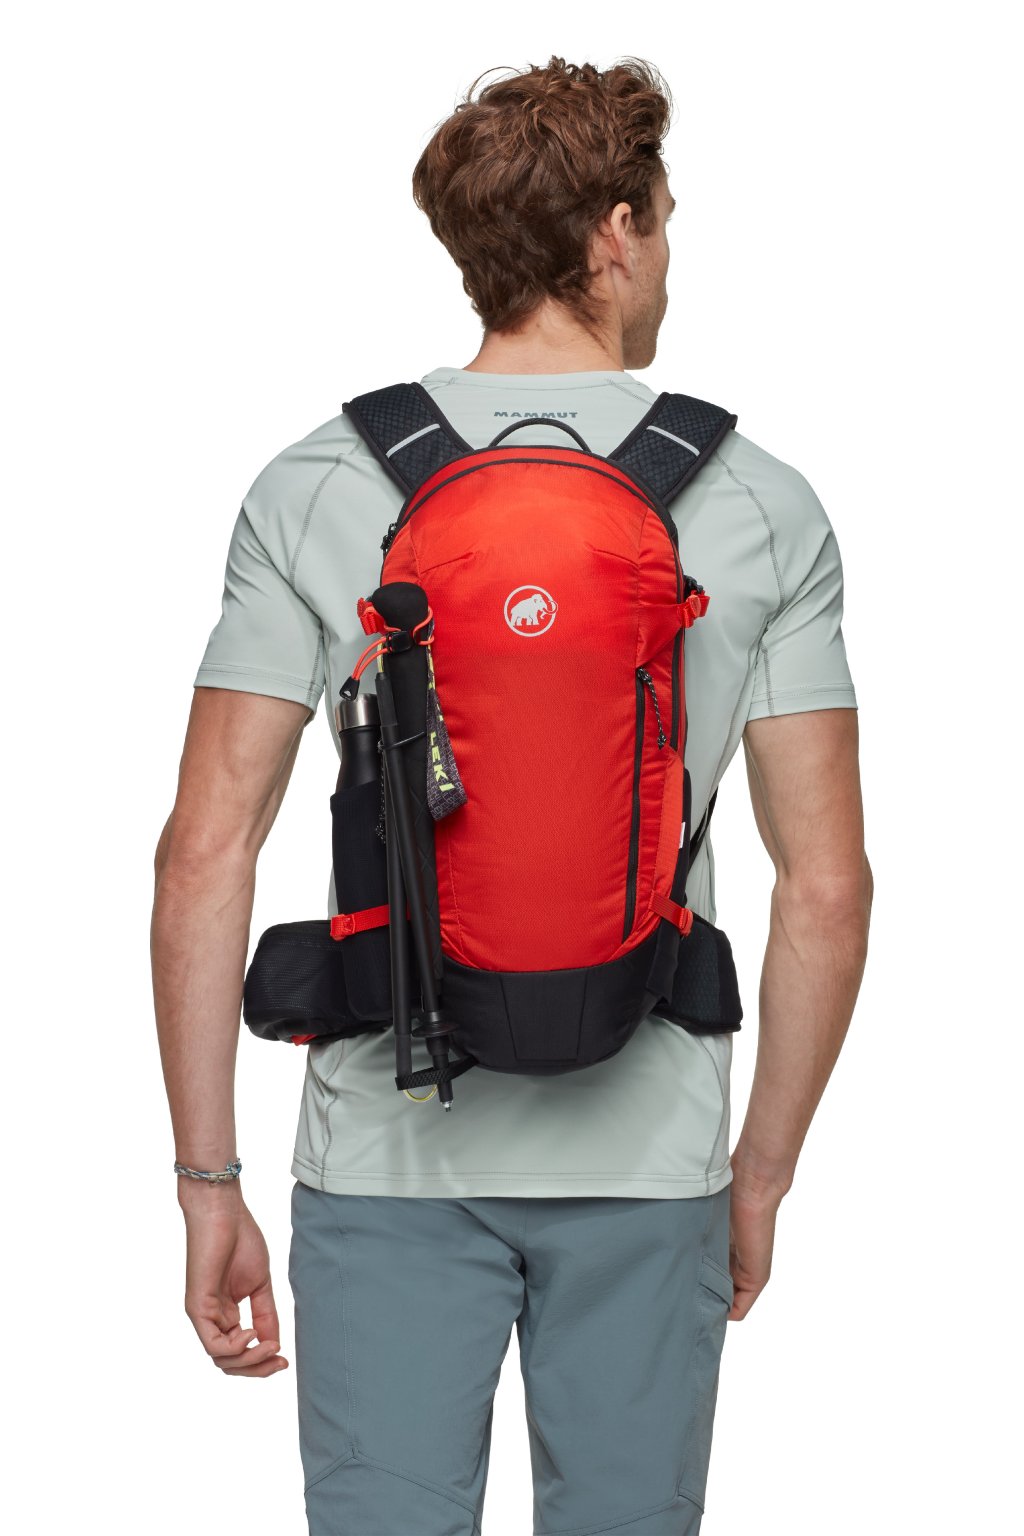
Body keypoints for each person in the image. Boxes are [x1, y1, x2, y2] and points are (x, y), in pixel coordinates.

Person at [152, 55, 872, 1536]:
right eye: (663, 220)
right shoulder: (756, 500)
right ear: (615, 233)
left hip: (385, 1153)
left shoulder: (319, 481)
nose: (666, 256)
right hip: (653, 1159)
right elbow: (829, 886)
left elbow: (203, 853)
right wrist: (758, 1176)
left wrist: (208, 1180)